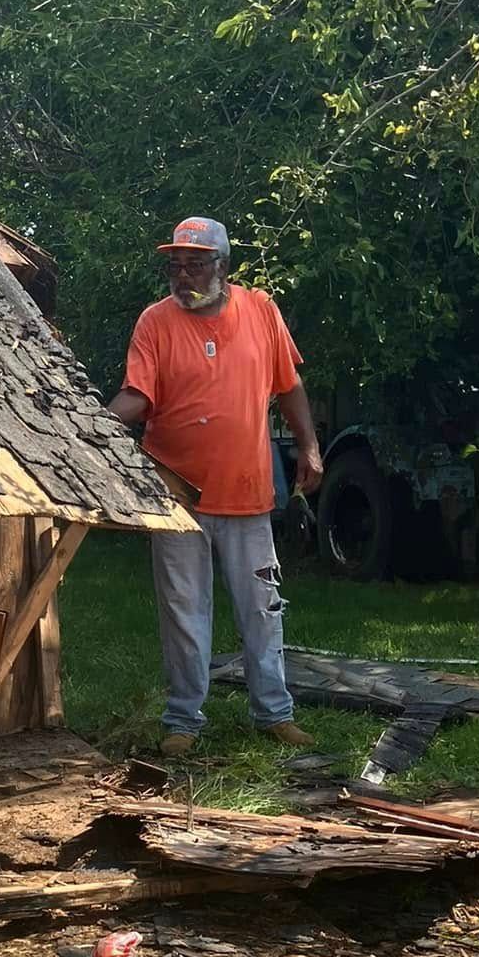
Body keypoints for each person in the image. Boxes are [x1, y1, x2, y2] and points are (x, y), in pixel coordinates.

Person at [108, 216, 323, 757]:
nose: (183, 276)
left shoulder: (260, 310)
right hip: (173, 490)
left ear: (223, 267)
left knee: (261, 604)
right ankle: (183, 720)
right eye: (175, 266)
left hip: (246, 489)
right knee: (184, 607)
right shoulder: (155, 323)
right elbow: (138, 396)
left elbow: (289, 385)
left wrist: (311, 447)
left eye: (195, 264)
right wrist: (92, 427)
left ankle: (274, 713)